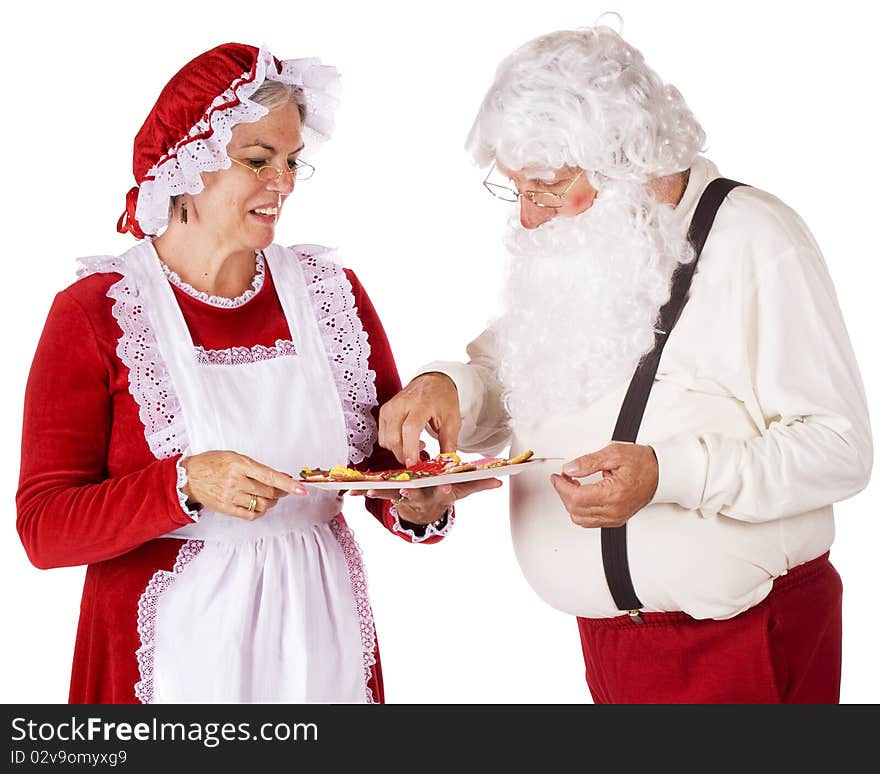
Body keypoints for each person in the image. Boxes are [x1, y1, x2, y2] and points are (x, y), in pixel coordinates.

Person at [379, 24, 873, 703]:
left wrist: (669, 474)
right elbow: (520, 375)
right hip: (611, 651)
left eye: (547, 187)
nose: (528, 218)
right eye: (516, 189)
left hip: (743, 641)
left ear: (624, 159)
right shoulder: (582, 246)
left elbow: (839, 450)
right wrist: (448, 389)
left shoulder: (755, 237)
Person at [15, 42, 495, 704]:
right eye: (258, 160)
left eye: (293, 161)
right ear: (187, 163)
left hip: (317, 642)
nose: (284, 183)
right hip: (167, 658)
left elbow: (386, 466)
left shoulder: (330, 294)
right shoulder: (99, 313)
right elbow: (44, 529)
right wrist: (184, 483)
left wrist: (418, 501)